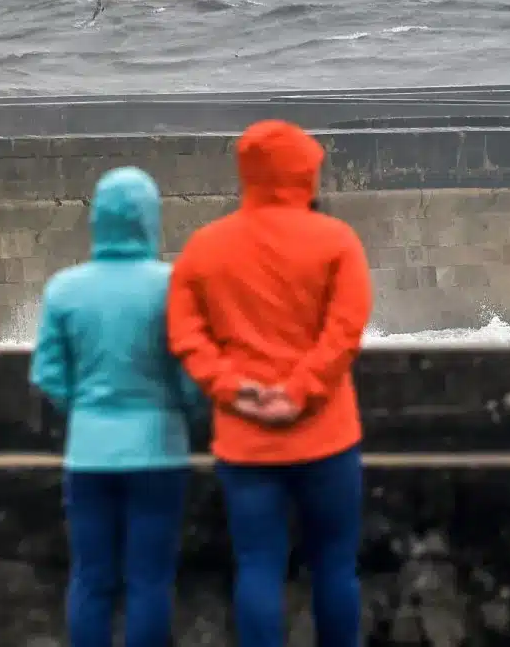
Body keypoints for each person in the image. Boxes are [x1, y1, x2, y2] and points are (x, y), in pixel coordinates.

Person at [166, 119, 374, 647]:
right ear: (307, 172)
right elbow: (344, 331)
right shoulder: (336, 241)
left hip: (245, 439)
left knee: (257, 566)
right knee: (334, 568)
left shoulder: (205, 247)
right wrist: (299, 391)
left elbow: (186, 336)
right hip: (326, 436)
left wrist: (236, 388)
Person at [29, 166, 205, 647]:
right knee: (148, 580)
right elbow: (194, 373)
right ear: (151, 220)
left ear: (98, 221)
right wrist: (183, 412)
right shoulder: (174, 286)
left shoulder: (65, 289)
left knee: (91, 577)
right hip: (158, 452)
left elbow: (47, 374)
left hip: (88, 453)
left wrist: (83, 409)